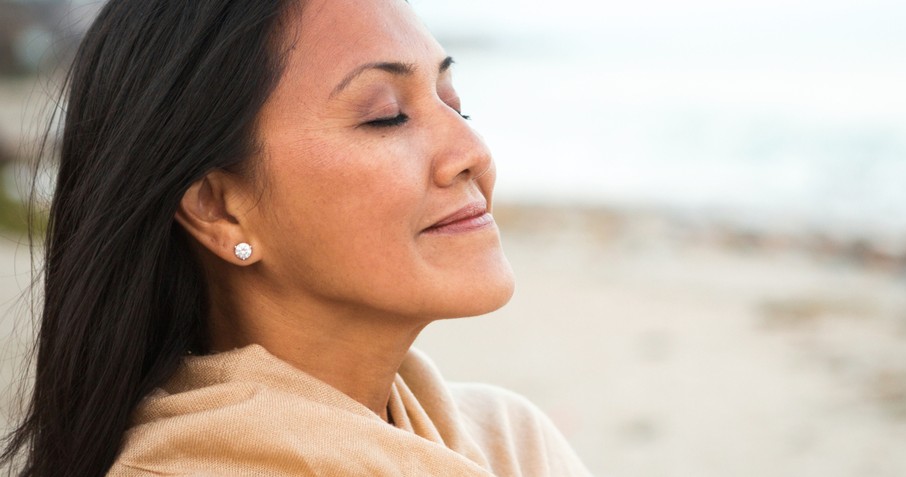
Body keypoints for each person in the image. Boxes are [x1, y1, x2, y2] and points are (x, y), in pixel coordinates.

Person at [1, 0, 592, 475]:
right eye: (385, 115)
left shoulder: (508, 440)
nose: (472, 153)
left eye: (454, 104)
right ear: (219, 207)